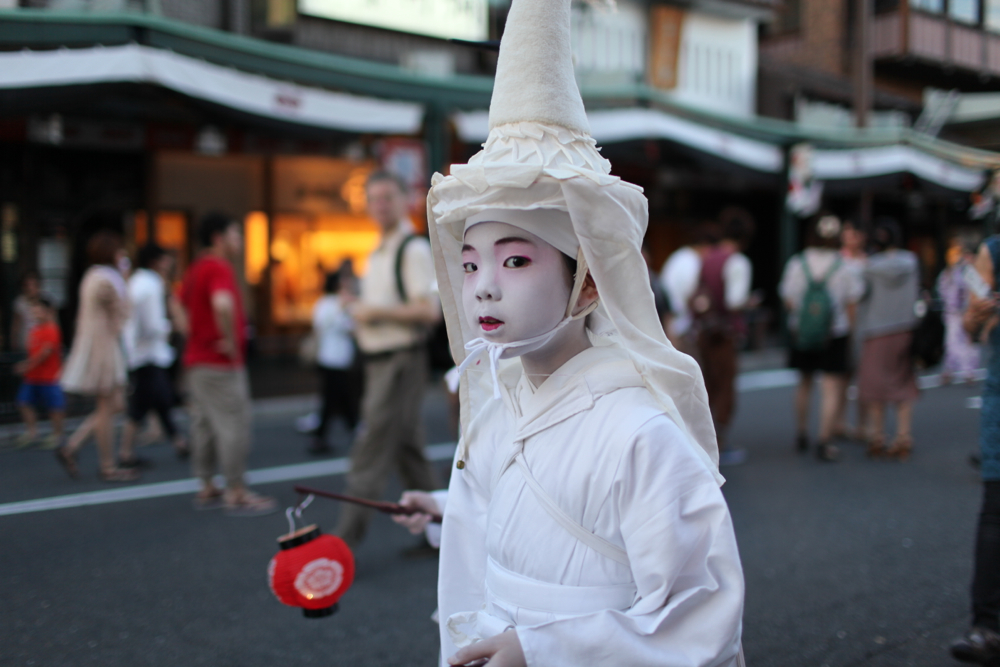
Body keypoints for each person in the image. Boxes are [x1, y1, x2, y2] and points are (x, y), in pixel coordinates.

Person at [393, 0, 745, 663]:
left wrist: (544, 650)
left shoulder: (641, 431)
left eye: (516, 259)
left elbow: (703, 613)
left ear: (587, 283)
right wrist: (450, 508)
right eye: (469, 265)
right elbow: (520, 497)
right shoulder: (499, 393)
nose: (483, 285)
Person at [334, 171, 442, 547]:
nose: (380, 205)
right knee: (407, 451)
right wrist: (360, 310)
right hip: (381, 360)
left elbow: (429, 311)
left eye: (387, 197)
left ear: (404, 200)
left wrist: (370, 311)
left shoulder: (411, 248)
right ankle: (444, 533)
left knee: (371, 450)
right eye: (373, 198)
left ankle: (342, 545)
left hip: (400, 360)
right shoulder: (379, 249)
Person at [181, 213, 275, 515]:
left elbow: (177, 303)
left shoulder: (196, 268)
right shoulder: (219, 267)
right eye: (236, 234)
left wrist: (193, 335)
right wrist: (230, 343)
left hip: (197, 360)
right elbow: (222, 304)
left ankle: (207, 485)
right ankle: (236, 490)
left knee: (205, 424)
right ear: (218, 238)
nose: (241, 241)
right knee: (233, 422)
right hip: (220, 362)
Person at [949, 236, 1000, 665]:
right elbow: (971, 327)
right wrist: (977, 314)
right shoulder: (993, 251)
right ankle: (987, 626)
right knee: (995, 511)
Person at [779, 213, 864, 462]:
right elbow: (852, 303)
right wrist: (849, 332)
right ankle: (824, 440)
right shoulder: (844, 266)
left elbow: (788, 298)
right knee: (831, 386)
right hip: (834, 332)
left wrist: (802, 320)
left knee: (804, 382)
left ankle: (802, 433)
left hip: (802, 331)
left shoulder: (798, 263)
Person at [55, 227, 136, 482]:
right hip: (104, 349)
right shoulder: (107, 280)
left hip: (97, 346)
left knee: (113, 404)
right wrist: (125, 278)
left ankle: (72, 447)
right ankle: (107, 466)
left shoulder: (92, 276)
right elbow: (121, 316)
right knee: (107, 405)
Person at [690, 208, 754, 465]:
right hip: (724, 332)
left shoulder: (708, 257)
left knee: (707, 384)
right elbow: (734, 301)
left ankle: (704, 439)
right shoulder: (737, 261)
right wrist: (749, 304)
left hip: (704, 329)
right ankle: (719, 442)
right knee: (725, 386)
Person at [119, 244, 189, 467]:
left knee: (162, 400)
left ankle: (179, 442)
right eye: (166, 259)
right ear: (156, 261)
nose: (169, 263)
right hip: (149, 353)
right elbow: (151, 325)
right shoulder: (151, 285)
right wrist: (171, 327)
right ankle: (125, 453)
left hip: (142, 352)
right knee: (143, 404)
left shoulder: (138, 282)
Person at [856, 218, 920, 460]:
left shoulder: (869, 266)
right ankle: (904, 436)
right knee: (903, 381)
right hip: (905, 328)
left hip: (876, 330)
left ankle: (878, 435)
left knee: (875, 385)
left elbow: (861, 294)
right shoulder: (911, 262)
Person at [309, 270, 361, 455]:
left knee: (339, 397)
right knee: (334, 397)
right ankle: (348, 430)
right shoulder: (327, 303)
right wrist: (341, 307)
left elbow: (354, 328)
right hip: (329, 358)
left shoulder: (347, 302)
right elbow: (323, 325)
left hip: (342, 358)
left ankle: (348, 430)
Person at [14, 295, 65, 449]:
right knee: (23, 402)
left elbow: (45, 353)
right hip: (32, 377)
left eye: (38, 311)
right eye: (33, 311)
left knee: (54, 407)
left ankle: (58, 435)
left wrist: (26, 366)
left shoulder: (52, 329)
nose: (35, 314)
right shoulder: (34, 330)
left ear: (47, 311)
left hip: (49, 377)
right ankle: (32, 433)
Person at [938, 236, 981, 384]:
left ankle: (968, 371)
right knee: (952, 342)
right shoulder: (950, 272)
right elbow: (942, 290)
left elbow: (972, 290)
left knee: (966, 342)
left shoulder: (965, 270)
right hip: (953, 311)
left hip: (965, 310)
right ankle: (951, 371)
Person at [11, 270, 41, 352]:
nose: (30, 288)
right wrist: (14, 340)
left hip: (42, 343)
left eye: (33, 285)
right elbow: (16, 324)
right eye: (27, 285)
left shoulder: (44, 301)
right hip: (25, 343)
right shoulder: (20, 302)